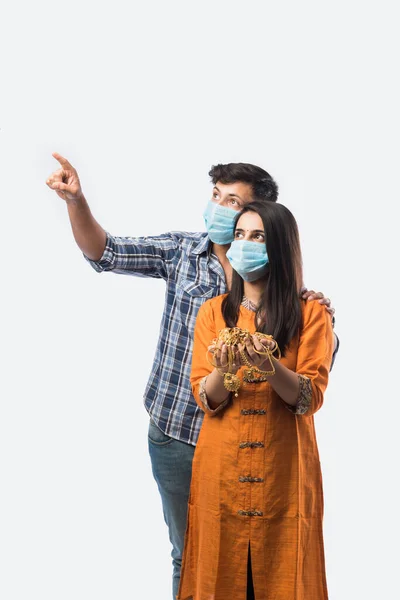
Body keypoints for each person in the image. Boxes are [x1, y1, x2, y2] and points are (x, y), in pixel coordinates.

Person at [46, 155, 338, 599]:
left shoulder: (294, 298)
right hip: (181, 434)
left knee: (271, 565)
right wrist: (76, 201)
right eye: (215, 197)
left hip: (266, 443)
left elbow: (315, 373)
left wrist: (312, 322)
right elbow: (106, 251)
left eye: (233, 203)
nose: (220, 210)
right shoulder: (184, 255)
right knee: (194, 555)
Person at [177, 200, 334, 600]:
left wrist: (268, 365)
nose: (245, 244)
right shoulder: (213, 313)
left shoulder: (312, 314)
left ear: (280, 246)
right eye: (241, 234)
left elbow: (308, 398)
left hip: (283, 474)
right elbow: (206, 399)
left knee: (282, 575)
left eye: (258, 236)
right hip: (221, 472)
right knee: (220, 576)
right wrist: (225, 370)